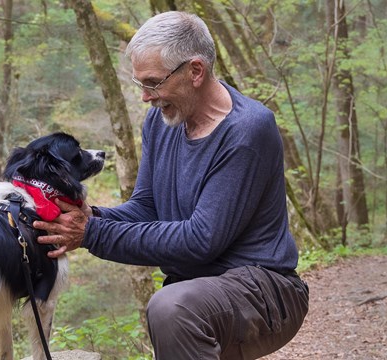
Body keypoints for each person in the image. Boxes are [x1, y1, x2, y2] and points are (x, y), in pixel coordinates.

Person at [33, 11, 309, 359]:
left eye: (153, 83)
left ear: (195, 71)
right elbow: (147, 206)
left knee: (171, 308)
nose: (147, 97)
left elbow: (201, 239)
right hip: (198, 290)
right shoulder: (162, 121)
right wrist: (88, 216)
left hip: (267, 290)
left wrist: (91, 234)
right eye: (141, 85)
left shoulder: (247, 131)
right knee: (174, 305)